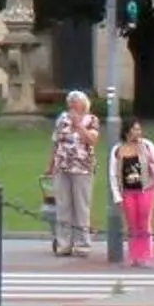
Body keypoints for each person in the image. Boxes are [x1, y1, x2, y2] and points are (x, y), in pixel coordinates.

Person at [46, 91, 99, 257]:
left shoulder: (91, 120)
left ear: (84, 104)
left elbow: (92, 140)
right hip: (62, 166)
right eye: (70, 101)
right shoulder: (62, 119)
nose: (72, 104)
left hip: (82, 168)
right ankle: (64, 244)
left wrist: (79, 125)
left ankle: (83, 244)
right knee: (63, 206)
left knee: (81, 207)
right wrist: (50, 165)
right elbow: (56, 142)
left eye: (75, 101)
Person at [114, 118, 154, 267]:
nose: (138, 132)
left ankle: (145, 255)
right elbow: (113, 174)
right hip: (127, 191)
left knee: (144, 222)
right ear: (127, 131)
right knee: (132, 223)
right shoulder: (118, 149)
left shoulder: (147, 145)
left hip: (146, 189)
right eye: (135, 129)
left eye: (139, 129)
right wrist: (117, 195)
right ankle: (134, 256)